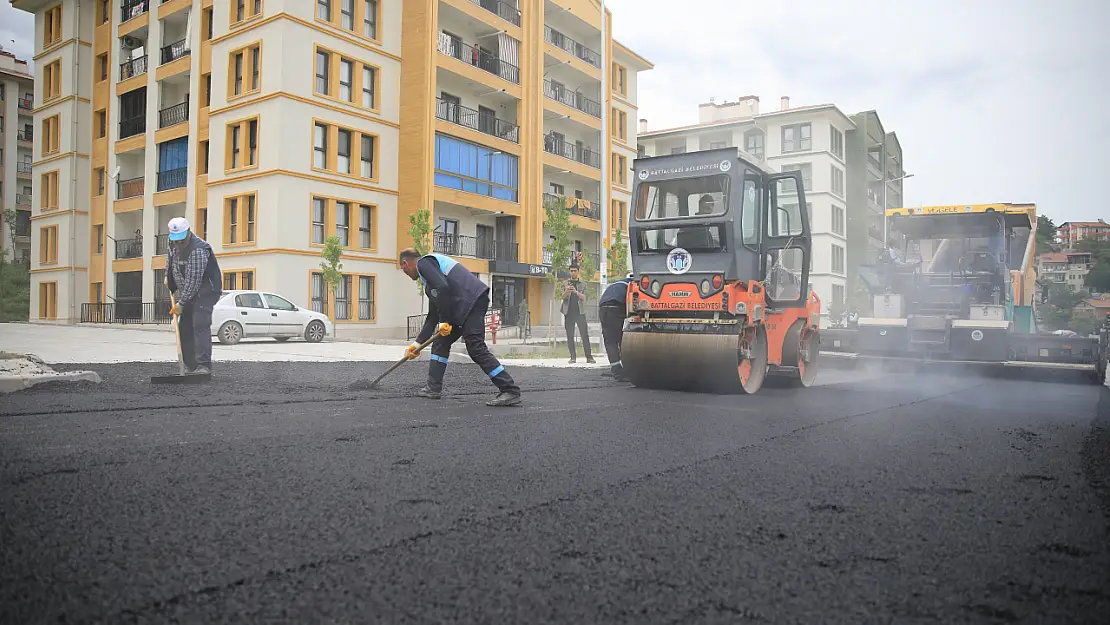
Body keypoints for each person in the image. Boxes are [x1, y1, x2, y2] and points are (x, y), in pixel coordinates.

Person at [398, 247, 522, 407]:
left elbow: (443, 288)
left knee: (475, 348)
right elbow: (432, 315)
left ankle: (510, 390)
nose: (407, 274)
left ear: (405, 264)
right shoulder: (430, 282)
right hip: (461, 307)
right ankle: (433, 388)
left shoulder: (425, 263)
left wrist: (444, 320)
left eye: (404, 270)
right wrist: (417, 344)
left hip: (471, 302)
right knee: (441, 342)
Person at [165, 217, 222, 374]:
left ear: (188, 233)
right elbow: (171, 264)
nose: (178, 244)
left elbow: (193, 280)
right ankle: (190, 366)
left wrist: (181, 303)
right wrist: (169, 281)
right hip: (188, 292)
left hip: (206, 291)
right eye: (175, 241)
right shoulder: (172, 244)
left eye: (181, 241)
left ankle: (203, 366)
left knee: (200, 324)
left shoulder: (198, 249)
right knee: (184, 328)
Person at [598, 272, 633, 380]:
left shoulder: (617, 283)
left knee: (610, 340)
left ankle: (618, 367)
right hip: (615, 307)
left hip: (603, 308)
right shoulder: (632, 285)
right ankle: (618, 371)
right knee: (616, 341)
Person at [560, 262, 594, 364]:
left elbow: (584, 298)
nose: (573, 273)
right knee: (570, 336)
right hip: (568, 313)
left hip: (580, 313)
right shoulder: (565, 283)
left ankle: (589, 357)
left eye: (575, 271)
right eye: (571, 271)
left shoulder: (583, 284)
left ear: (578, 272)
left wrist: (576, 292)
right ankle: (573, 357)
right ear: (569, 272)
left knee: (584, 335)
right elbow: (562, 297)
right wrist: (567, 290)